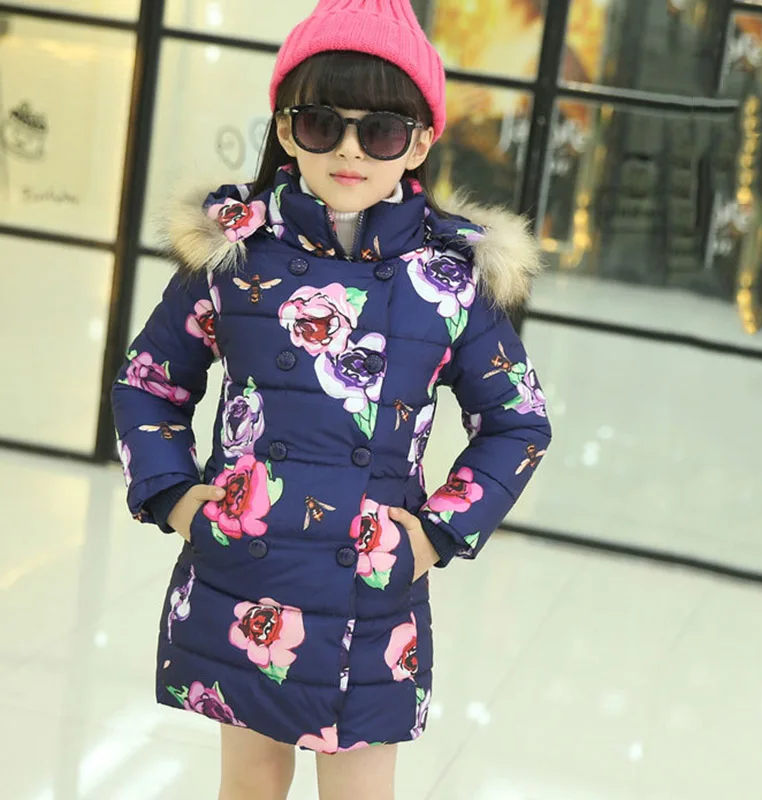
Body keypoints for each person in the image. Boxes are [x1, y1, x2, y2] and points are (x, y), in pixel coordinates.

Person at [112, 1, 552, 797]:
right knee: (248, 784)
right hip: (243, 574)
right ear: (286, 131)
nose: (350, 150)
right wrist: (173, 496)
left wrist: (437, 534)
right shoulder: (233, 256)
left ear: (419, 142)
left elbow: (517, 421)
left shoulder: (451, 279)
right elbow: (149, 382)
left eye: (380, 131)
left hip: (373, 591)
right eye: (322, 124)